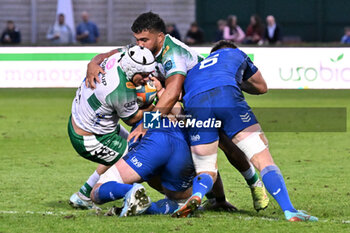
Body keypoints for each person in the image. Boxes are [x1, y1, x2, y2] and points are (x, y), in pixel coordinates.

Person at [84, 11, 269, 212]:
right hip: (186, 103)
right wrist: (93, 63)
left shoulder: (173, 53)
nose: (140, 44)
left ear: (160, 37)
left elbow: (172, 92)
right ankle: (212, 198)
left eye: (144, 39)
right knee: (197, 146)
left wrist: (147, 123)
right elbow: (114, 53)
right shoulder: (142, 48)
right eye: (137, 40)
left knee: (224, 141)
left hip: (204, 98)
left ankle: (253, 184)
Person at [172, 40, 318, 222]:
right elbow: (261, 87)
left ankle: (198, 196)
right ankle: (289, 210)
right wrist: (238, 83)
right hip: (226, 96)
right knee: (262, 157)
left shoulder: (195, 69)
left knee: (205, 168)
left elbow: (178, 95)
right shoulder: (235, 53)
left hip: (196, 103)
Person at [68, 45, 156, 209]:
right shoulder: (120, 90)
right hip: (90, 138)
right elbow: (133, 119)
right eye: (143, 75)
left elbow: (104, 54)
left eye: (149, 74)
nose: (147, 79)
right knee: (134, 159)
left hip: (84, 120)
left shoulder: (122, 57)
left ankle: (84, 195)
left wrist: (92, 63)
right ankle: (114, 193)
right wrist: (157, 104)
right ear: (131, 70)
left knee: (132, 147)